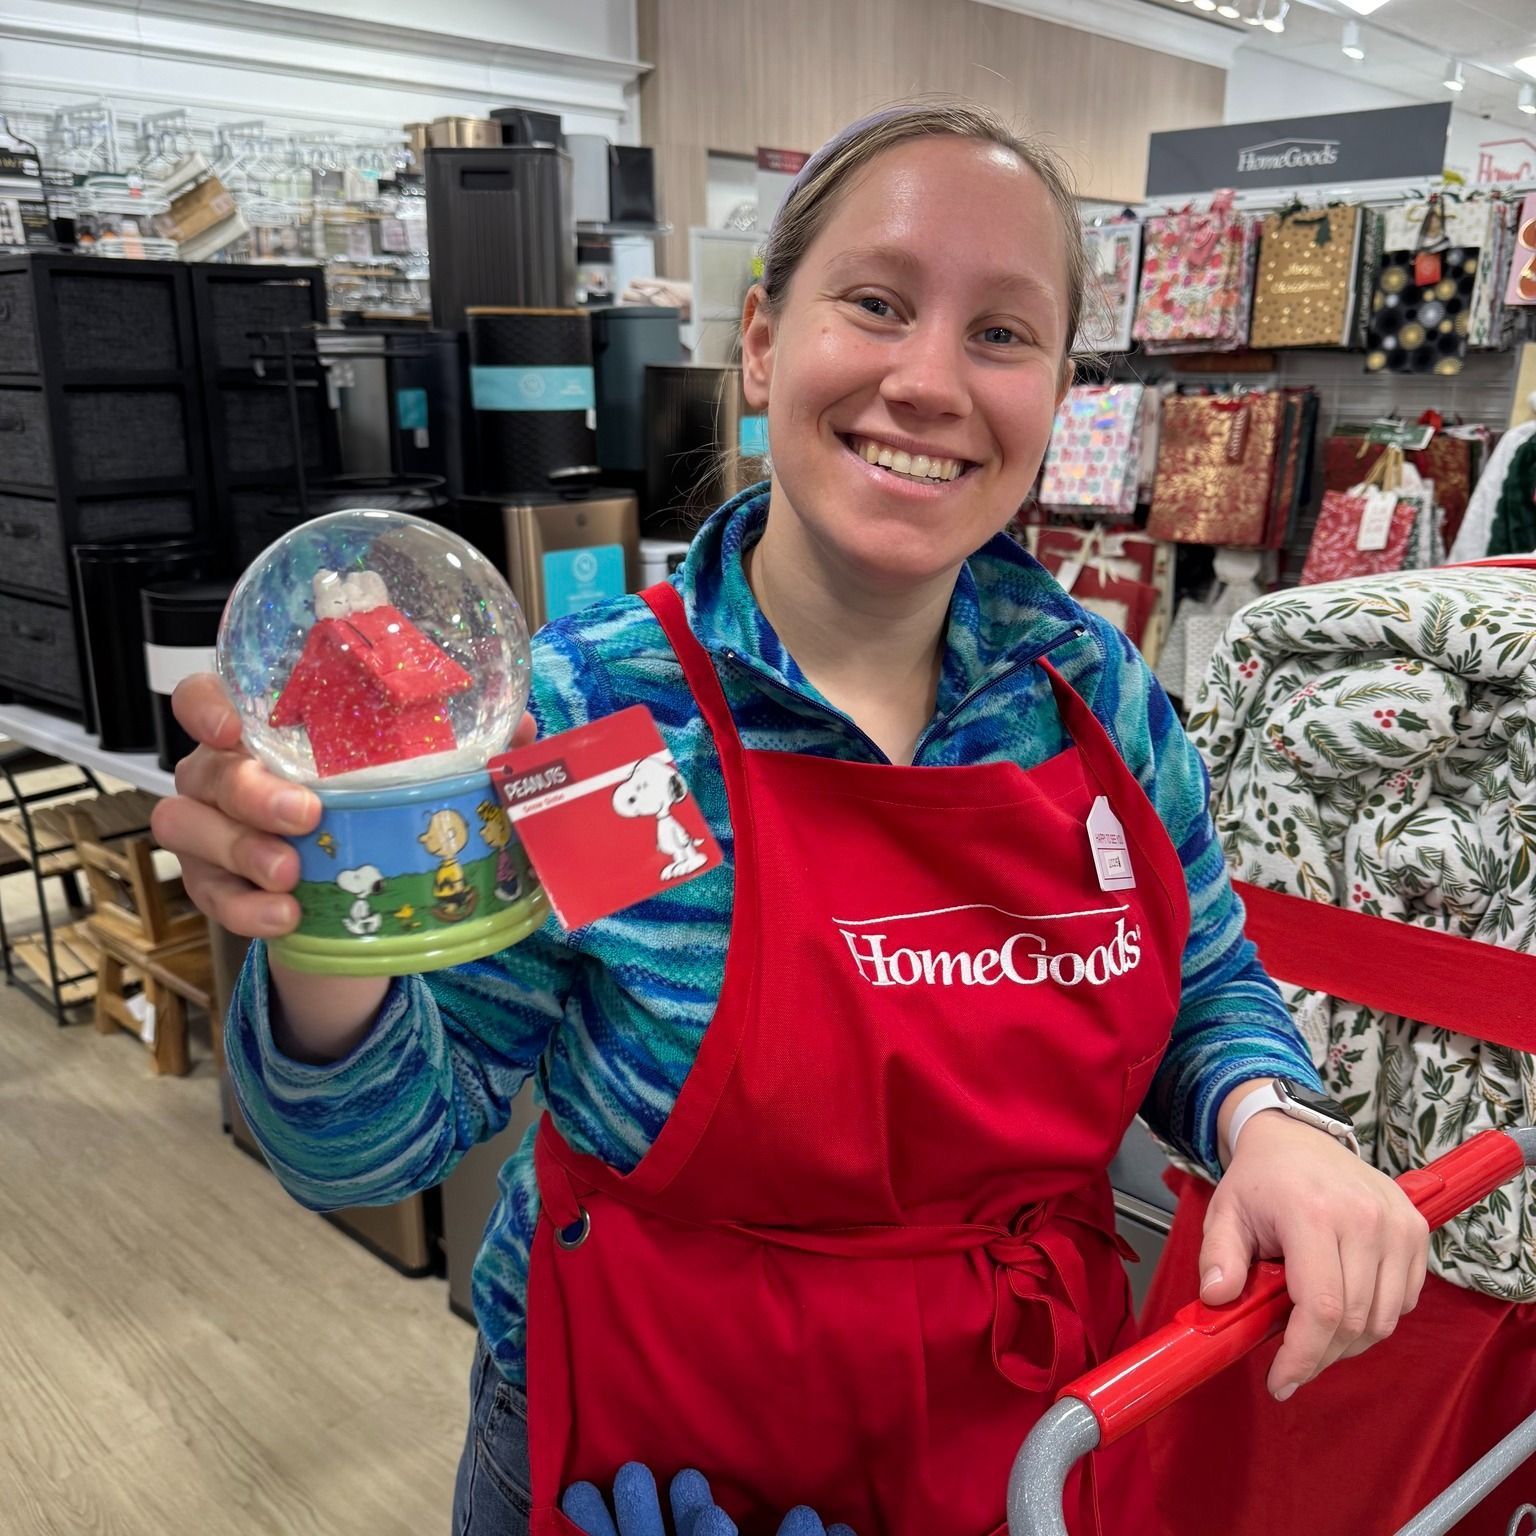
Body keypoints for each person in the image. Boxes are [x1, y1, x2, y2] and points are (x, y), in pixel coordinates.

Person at [153, 101, 1429, 1536]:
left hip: (1011, 1454)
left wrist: (1269, 1121)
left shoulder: (1091, 696)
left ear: (1063, 387)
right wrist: (316, 920)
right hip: (644, 1454)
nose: (932, 381)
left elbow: (1201, 979)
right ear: (763, 340)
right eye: (877, 303)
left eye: (1003, 334)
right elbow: (368, 1147)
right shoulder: (612, 729)